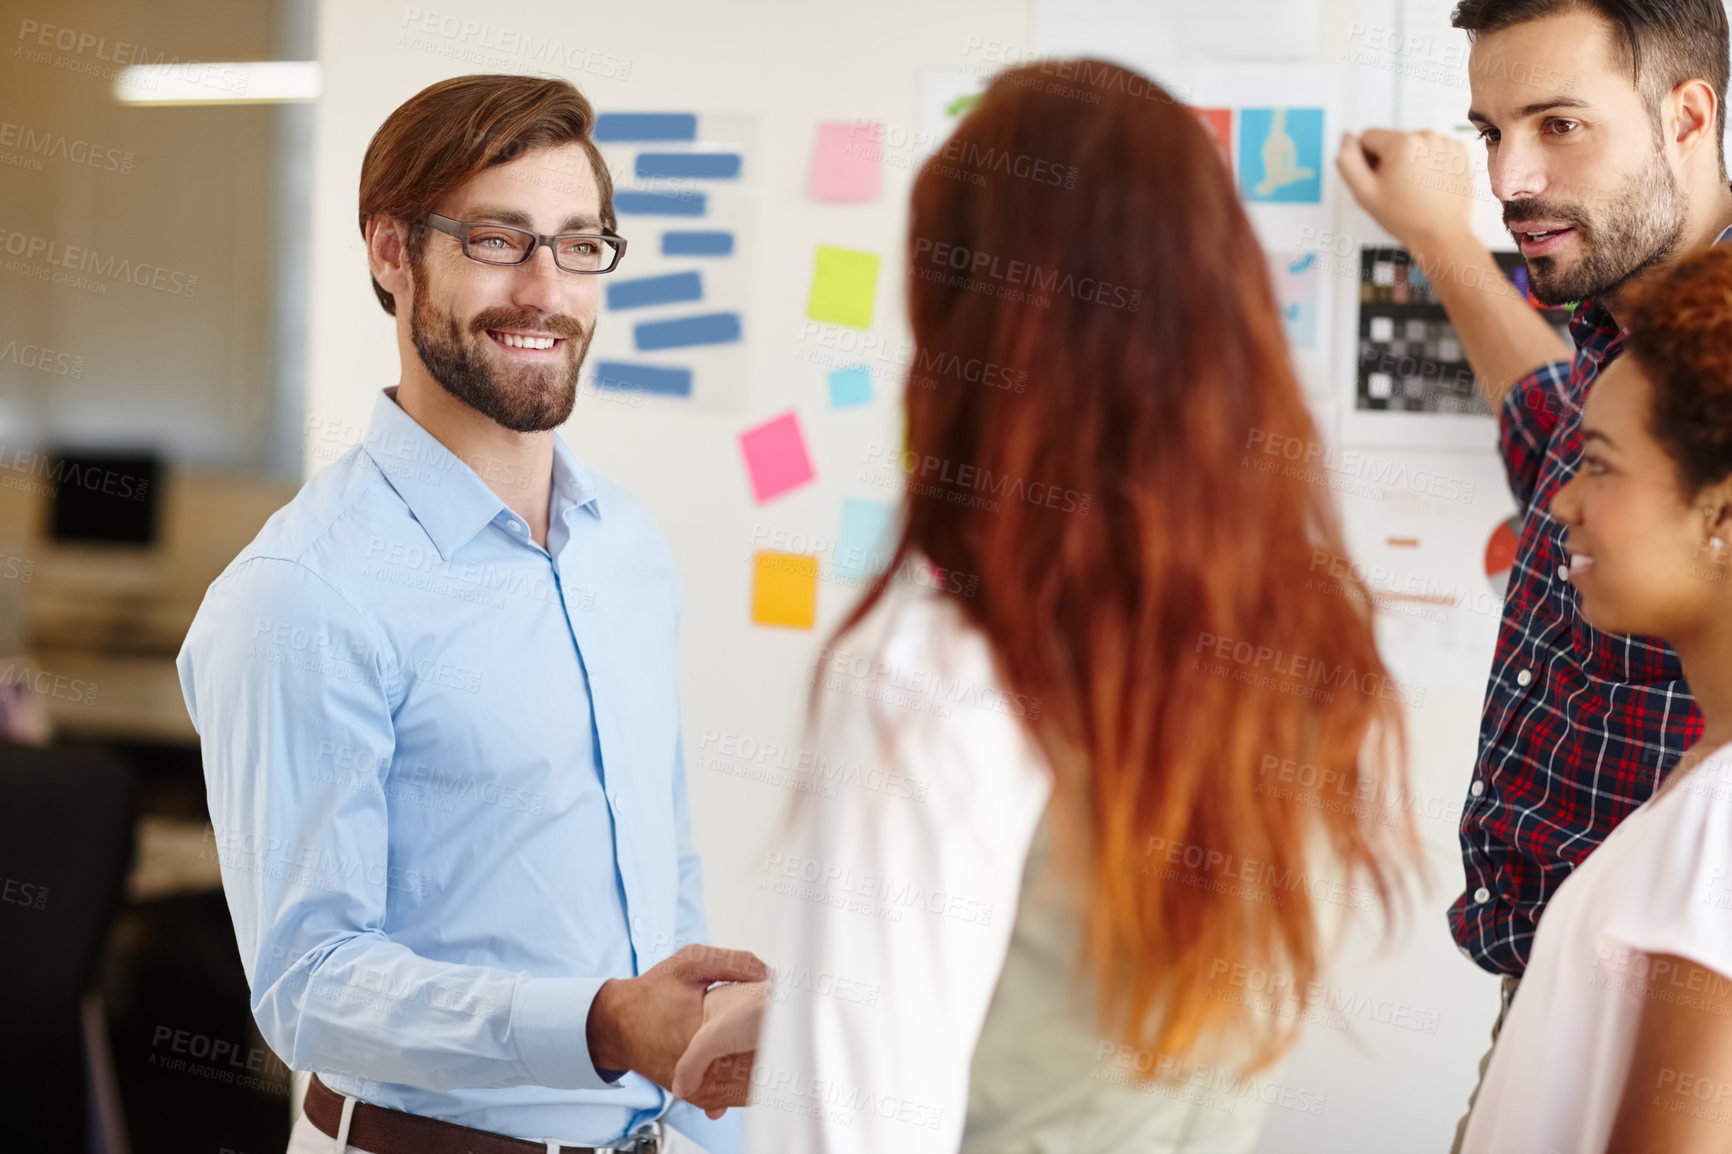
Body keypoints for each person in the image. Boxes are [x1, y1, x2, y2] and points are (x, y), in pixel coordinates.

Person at [751, 59, 1417, 1153]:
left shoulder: (941, 667)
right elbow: (1073, 1022)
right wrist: (784, 1016)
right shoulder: (1296, 644)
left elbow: (846, 1134)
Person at [176, 74, 763, 1154]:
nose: (546, 288)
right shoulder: (300, 592)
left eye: (580, 244)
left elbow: (662, 877)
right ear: (392, 254)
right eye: (499, 240)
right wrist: (599, 1022)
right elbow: (309, 983)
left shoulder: (623, 547)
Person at [1333, 1, 1732, 1144]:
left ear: (1686, 114)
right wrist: (1443, 241)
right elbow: (1551, 427)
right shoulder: (1622, 330)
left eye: (1558, 124)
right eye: (1488, 130)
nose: (1508, 177)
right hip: (1557, 994)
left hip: (1668, 1013)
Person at [1460, 242, 1732, 1152]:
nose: (1562, 505)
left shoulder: (1715, 827)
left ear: (1722, 516)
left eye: (1602, 466)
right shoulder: (1704, 782)